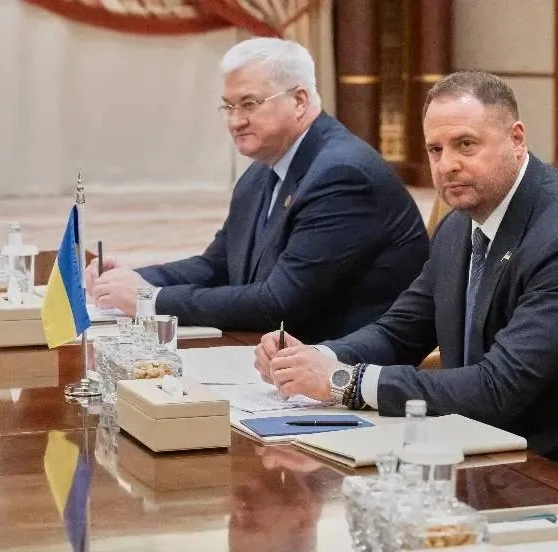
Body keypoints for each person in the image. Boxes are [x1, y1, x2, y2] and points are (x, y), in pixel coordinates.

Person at [253, 71, 558, 465]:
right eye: (435, 150)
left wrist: (346, 382)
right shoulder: (459, 225)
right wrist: (313, 358)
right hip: (483, 442)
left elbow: (498, 387)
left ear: (516, 139)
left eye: (465, 145)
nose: (447, 164)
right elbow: (399, 332)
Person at [87, 38, 428, 343]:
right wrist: (132, 279)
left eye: (249, 104)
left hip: (342, 365)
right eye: (229, 106)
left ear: (299, 100)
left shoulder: (342, 176)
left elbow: (278, 305)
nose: (235, 121)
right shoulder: (261, 172)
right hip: (275, 353)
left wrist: (151, 300)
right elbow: (217, 266)